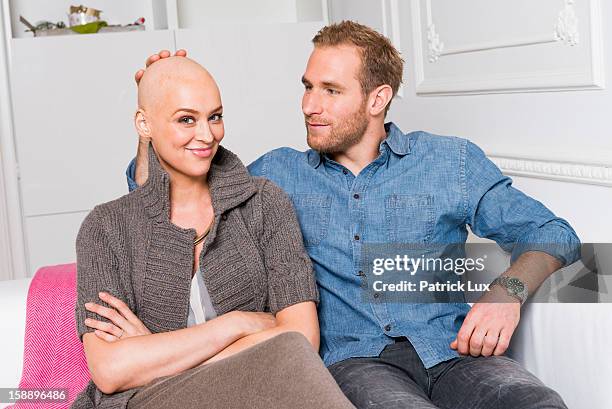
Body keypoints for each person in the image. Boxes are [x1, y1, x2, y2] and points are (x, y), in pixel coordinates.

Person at [127, 22, 580, 408]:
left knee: (539, 403)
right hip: (356, 362)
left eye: (330, 90)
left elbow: (552, 233)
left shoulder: (450, 162)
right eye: (307, 87)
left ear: (377, 98)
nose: (309, 105)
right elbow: (164, 201)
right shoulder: (274, 175)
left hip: (456, 352)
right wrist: (157, 114)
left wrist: (507, 292)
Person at [73, 56, 355, 409]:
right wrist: (236, 324)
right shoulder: (105, 227)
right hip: (147, 402)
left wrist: (156, 355)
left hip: (255, 388)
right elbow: (111, 369)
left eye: (215, 117)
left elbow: (300, 337)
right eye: (186, 119)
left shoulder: (265, 203)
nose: (207, 135)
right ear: (144, 124)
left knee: (291, 358)